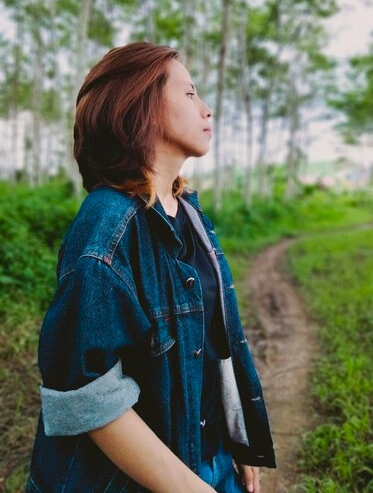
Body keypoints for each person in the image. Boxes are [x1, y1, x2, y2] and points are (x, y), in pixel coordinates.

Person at [26, 42, 276, 493]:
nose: (207, 108)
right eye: (189, 93)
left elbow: (211, 341)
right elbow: (86, 395)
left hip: (210, 456)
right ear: (139, 108)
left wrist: (234, 443)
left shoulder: (190, 213)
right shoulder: (106, 226)